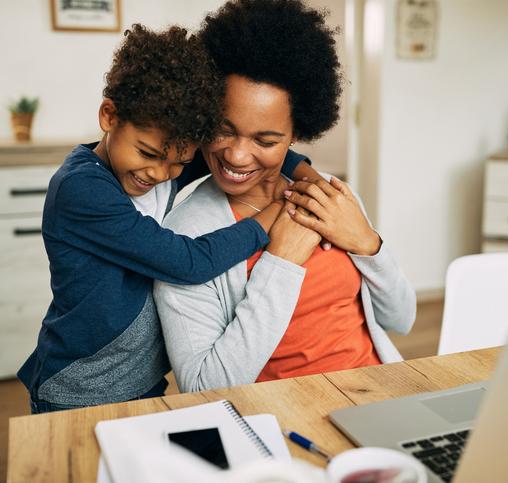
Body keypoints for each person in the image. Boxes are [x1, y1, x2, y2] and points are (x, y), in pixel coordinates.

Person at [18, 24, 315, 413]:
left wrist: (306, 175)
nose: (159, 174)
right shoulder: (82, 189)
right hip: (79, 389)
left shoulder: (165, 156)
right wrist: (271, 217)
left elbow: (234, 155)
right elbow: (188, 262)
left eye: (180, 162)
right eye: (148, 153)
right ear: (109, 116)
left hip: (145, 382)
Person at [154, 0, 416, 393]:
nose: (237, 156)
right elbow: (202, 386)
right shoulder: (185, 237)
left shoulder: (330, 197)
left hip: (383, 394)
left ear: (296, 136)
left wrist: (366, 242)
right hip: (286, 422)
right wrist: (281, 261)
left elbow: (402, 318)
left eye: (266, 139)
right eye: (223, 130)